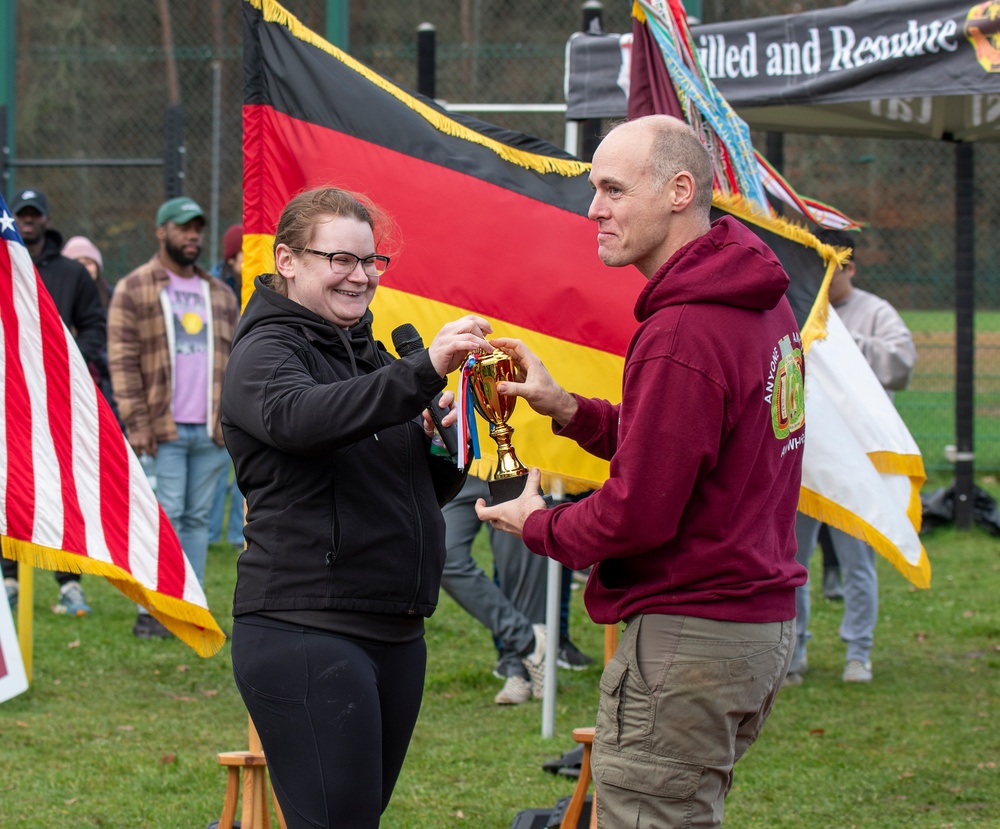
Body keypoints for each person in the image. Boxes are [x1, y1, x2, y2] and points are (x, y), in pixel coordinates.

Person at [474, 115, 807, 828]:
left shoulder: (686, 327)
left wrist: (538, 523)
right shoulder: (757, 296)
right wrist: (568, 407)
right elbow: (690, 444)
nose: (594, 208)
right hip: (752, 625)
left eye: (614, 189)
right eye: (595, 188)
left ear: (680, 190)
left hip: (695, 634)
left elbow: (638, 511)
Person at [221, 186, 492, 829]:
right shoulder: (266, 350)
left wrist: (438, 448)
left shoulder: (372, 353)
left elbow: (414, 491)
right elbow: (302, 421)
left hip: (396, 628)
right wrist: (422, 371)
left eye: (371, 262)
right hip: (307, 627)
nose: (361, 276)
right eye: (340, 259)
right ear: (287, 260)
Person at [785, 228, 917, 686]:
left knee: (858, 563)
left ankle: (857, 652)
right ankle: (794, 651)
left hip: (859, 463)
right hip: (804, 459)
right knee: (793, 562)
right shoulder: (795, 306)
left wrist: (842, 349)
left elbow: (901, 362)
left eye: (831, 265)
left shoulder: (874, 312)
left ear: (849, 268)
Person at [107, 196, 239, 639]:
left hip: (210, 430)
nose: (192, 235)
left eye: (197, 228)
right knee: (164, 517)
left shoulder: (219, 294)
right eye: (183, 228)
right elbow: (122, 361)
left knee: (197, 520)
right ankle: (154, 610)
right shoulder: (134, 287)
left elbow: (236, 360)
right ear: (161, 231)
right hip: (160, 429)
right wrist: (136, 422)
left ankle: (189, 611)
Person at [2, 188, 108, 618]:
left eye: (34, 214)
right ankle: (8, 577)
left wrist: (68, 363)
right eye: (21, 214)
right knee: (10, 487)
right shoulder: (4, 266)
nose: (27, 221)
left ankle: (69, 584)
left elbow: (94, 325)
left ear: (46, 219)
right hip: (9, 400)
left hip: (60, 402)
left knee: (64, 489)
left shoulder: (70, 273)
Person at [208, 223, 245, 547]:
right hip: (218, 385)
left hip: (245, 380)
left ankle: (237, 533)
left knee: (241, 471)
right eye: (246, 254)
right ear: (232, 257)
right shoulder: (213, 289)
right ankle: (208, 533)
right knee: (218, 468)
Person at [63, 234, 113, 308]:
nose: (83, 268)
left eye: (89, 263)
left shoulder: (111, 295)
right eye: (77, 263)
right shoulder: (57, 297)